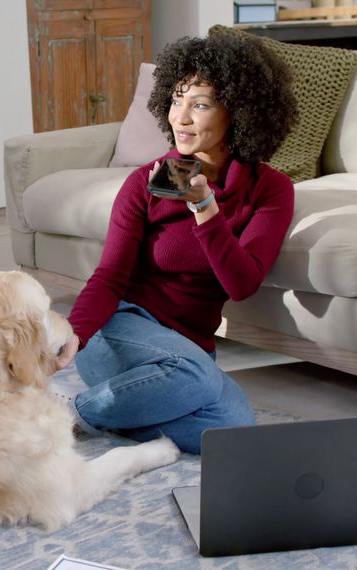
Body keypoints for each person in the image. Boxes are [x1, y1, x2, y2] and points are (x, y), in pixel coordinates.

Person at [57, 32, 299, 454]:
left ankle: (112, 409)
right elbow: (109, 276)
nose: (180, 118)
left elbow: (242, 284)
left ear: (238, 111)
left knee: (233, 429)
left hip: (189, 349)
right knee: (198, 378)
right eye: (175, 100)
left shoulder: (269, 188)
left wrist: (205, 207)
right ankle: (65, 416)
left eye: (199, 105)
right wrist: (74, 334)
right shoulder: (146, 182)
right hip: (121, 330)